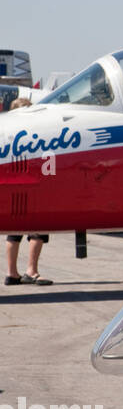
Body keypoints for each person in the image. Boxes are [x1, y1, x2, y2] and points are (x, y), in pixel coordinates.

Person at [3, 98, 53, 286]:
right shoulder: (33, 135)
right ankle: (31, 271)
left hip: (14, 185)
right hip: (32, 186)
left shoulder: (8, 135)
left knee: (13, 233)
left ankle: (11, 272)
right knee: (38, 231)